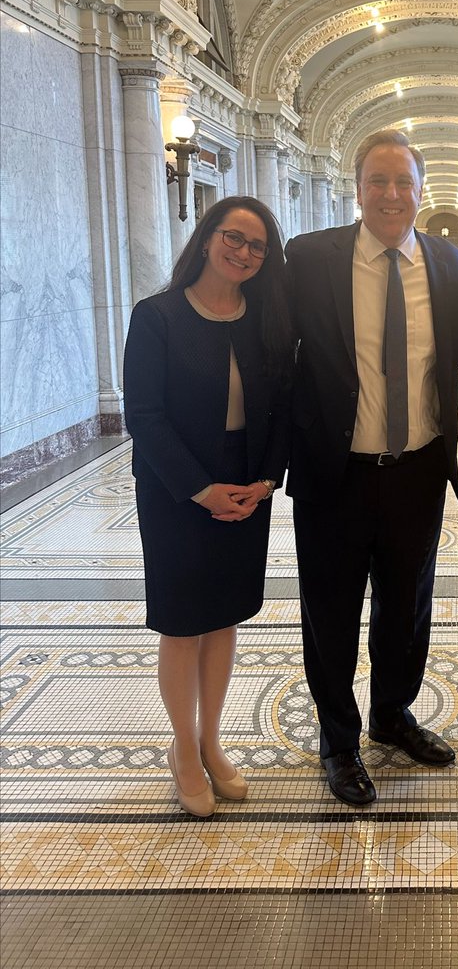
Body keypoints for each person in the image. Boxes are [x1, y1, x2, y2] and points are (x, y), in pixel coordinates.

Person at [284, 129, 458, 807]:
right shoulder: (309, 259)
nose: (390, 195)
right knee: (329, 613)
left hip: (416, 469)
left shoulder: (451, 266)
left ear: (421, 192)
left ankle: (393, 715)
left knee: (406, 607)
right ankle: (339, 741)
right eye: (377, 181)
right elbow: (277, 354)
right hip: (334, 472)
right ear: (356, 188)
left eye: (402, 183)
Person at [123, 196, 292, 817]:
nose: (244, 252)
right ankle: (183, 749)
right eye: (234, 237)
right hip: (177, 489)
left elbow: (281, 408)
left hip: (246, 483)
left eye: (257, 246)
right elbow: (144, 414)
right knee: (183, 621)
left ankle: (211, 742)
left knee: (223, 617)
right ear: (206, 238)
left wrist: (265, 480)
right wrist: (200, 489)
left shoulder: (265, 318)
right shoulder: (158, 315)